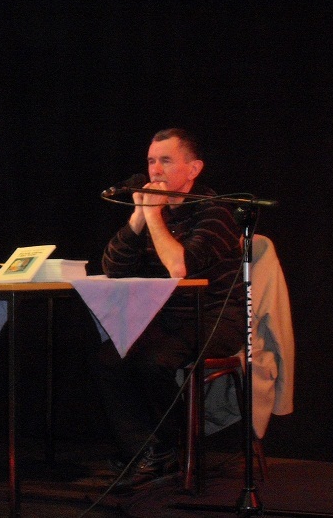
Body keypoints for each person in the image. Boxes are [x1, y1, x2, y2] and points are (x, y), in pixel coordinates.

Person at [95, 128, 245, 492]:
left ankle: (171, 448)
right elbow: (113, 268)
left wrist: (154, 217)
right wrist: (138, 217)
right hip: (168, 318)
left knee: (154, 361)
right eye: (151, 161)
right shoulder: (154, 214)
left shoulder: (216, 211)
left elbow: (180, 267)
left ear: (193, 169)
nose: (155, 170)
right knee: (110, 358)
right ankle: (149, 451)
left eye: (166, 160)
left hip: (215, 318)